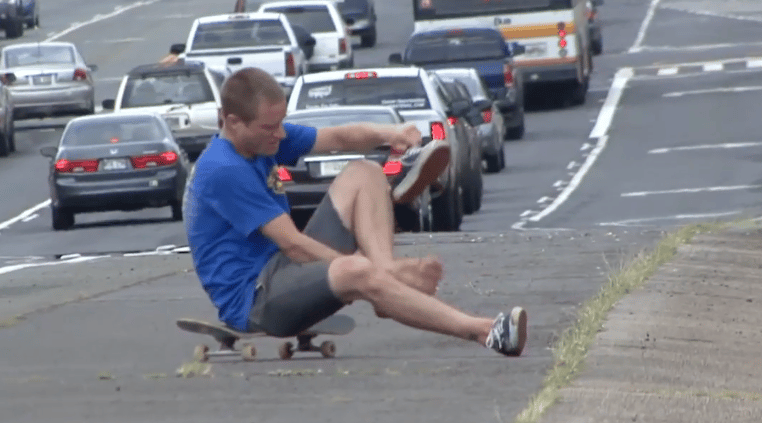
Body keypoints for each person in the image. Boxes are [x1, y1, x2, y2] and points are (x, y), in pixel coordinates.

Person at [183, 67, 527, 357]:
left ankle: (383, 274)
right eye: (269, 127)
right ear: (232, 122)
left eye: (282, 122)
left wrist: (391, 133)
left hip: (283, 271)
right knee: (356, 271)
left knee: (365, 172)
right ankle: (485, 332)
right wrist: (368, 271)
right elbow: (295, 246)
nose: (280, 134)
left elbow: (340, 137)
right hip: (257, 301)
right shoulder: (224, 169)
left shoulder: (262, 139)